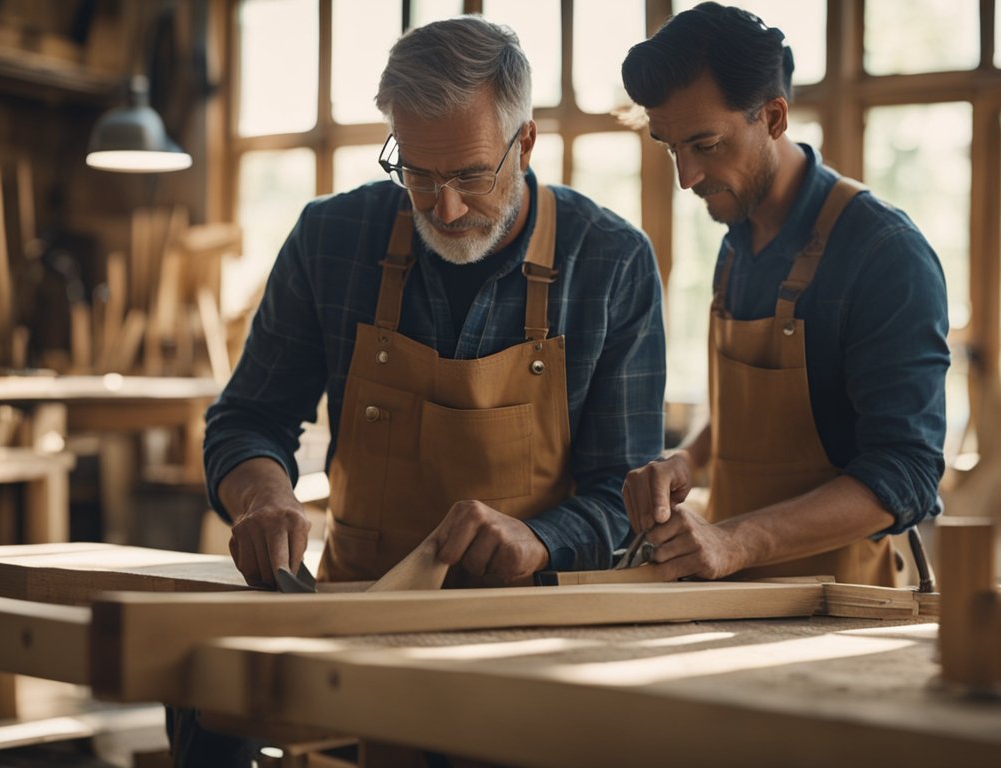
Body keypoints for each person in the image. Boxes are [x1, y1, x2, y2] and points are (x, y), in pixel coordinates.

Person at [207, 16, 665, 591]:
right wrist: (263, 498)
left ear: (523, 143)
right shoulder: (331, 238)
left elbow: (623, 493)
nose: (444, 210)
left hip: (533, 622)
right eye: (417, 174)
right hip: (356, 607)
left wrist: (540, 538)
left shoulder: (612, 261)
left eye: (471, 176)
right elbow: (247, 418)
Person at [619, 2, 949, 586]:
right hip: (733, 600)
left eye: (705, 144)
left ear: (772, 118)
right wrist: (687, 458)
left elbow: (908, 473)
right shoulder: (735, 236)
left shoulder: (885, 254)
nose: (685, 177)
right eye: (669, 146)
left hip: (846, 614)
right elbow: (741, 417)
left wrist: (736, 541)